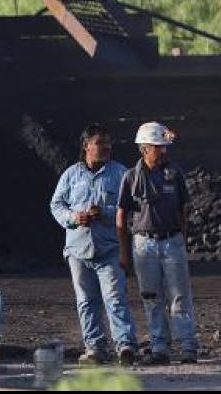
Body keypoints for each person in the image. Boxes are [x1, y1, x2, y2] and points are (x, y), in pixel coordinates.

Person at [50, 124, 138, 366]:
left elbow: (132, 208)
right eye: (100, 143)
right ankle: (95, 348)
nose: (107, 147)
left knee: (115, 297)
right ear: (86, 146)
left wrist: (106, 212)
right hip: (78, 250)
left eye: (109, 143)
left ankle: (125, 346)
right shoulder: (70, 175)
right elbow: (56, 205)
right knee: (86, 301)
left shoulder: (121, 174)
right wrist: (74, 217)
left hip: (110, 248)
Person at [117, 121, 199, 364]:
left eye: (164, 146)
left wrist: (181, 240)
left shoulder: (174, 175)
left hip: (172, 240)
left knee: (180, 296)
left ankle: (187, 346)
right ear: (144, 148)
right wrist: (124, 252)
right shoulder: (131, 177)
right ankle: (159, 347)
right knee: (151, 297)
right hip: (143, 244)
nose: (163, 151)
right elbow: (122, 215)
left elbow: (184, 210)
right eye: (158, 146)